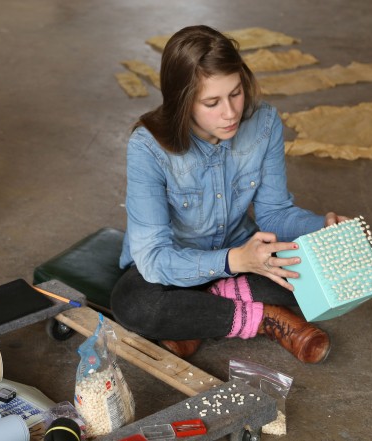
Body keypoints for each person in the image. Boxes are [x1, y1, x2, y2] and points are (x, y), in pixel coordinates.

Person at [111, 25, 349, 364]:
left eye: (236, 93)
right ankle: (262, 318)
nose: (231, 112)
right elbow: (153, 260)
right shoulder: (147, 147)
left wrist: (320, 228)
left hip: (241, 253)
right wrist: (235, 261)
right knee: (136, 304)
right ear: (182, 103)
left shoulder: (264, 122)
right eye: (212, 102)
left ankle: (198, 316)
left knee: (319, 270)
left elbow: (275, 213)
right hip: (172, 267)